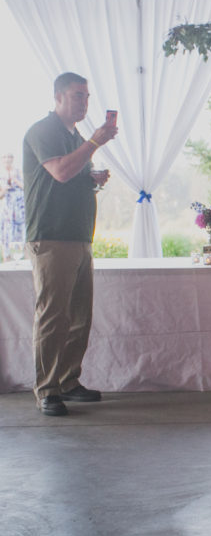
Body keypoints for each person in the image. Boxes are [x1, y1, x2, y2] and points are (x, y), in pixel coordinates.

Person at [22, 72, 116, 416]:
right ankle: (47, 389)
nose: (84, 103)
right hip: (51, 235)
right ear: (58, 96)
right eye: (78, 95)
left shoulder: (73, 136)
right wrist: (94, 143)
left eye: (87, 97)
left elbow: (70, 175)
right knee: (53, 316)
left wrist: (91, 178)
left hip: (78, 235)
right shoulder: (44, 131)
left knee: (79, 316)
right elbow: (60, 172)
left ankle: (67, 380)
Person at [1, 152, 27, 261]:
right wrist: (4, 190)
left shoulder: (18, 171)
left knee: (23, 235)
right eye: (5, 157)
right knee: (6, 236)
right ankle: (7, 260)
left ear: (12, 158)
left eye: (9, 157)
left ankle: (25, 260)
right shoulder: (1, 174)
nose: (7, 159)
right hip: (7, 210)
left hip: (19, 208)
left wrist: (16, 180)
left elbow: (26, 187)